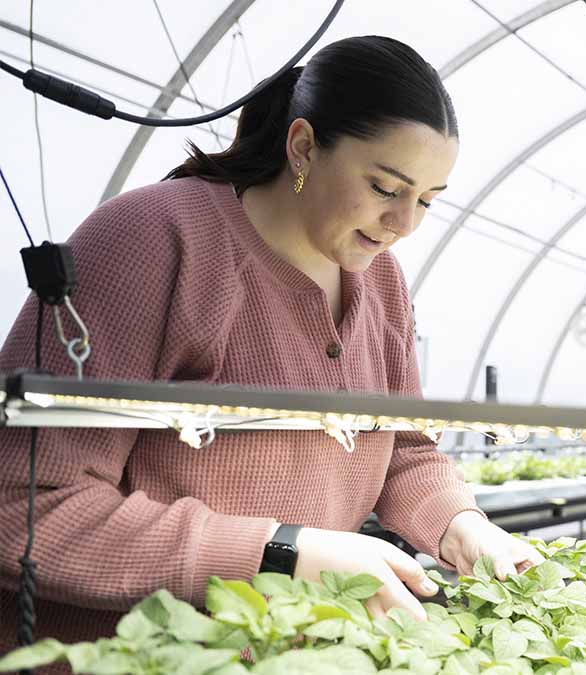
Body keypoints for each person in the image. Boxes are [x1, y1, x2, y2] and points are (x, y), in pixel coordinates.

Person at [0, 35, 542, 653]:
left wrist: (458, 522)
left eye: (426, 200)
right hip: (123, 658)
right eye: (386, 188)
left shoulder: (380, 280)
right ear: (304, 146)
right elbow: (26, 506)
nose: (404, 225)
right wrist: (279, 553)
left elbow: (400, 450)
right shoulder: (153, 240)